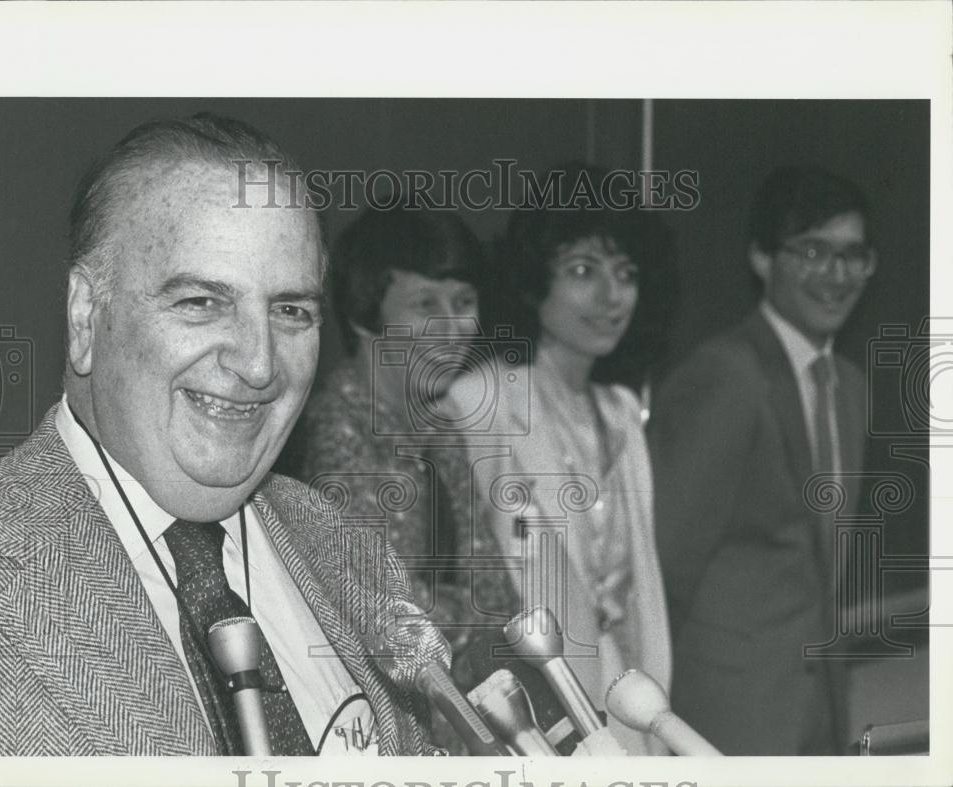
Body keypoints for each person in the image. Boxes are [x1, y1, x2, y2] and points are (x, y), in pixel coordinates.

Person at [0, 114, 434, 756]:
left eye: (291, 311)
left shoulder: (345, 548)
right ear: (85, 316)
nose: (258, 363)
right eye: (201, 302)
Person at [647, 165, 875, 755]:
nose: (837, 274)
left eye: (854, 255)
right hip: (726, 721)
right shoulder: (723, 377)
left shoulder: (849, 386)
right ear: (762, 258)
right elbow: (662, 572)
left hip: (820, 716)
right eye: (813, 251)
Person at [449, 165, 673, 754]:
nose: (611, 296)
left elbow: (640, 590)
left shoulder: (621, 410)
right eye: (582, 271)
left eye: (626, 274)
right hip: (535, 703)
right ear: (530, 282)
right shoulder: (483, 402)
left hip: (629, 697)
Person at [294, 208, 519, 736]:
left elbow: (498, 597)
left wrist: (463, 611)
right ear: (363, 314)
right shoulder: (336, 425)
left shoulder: (441, 425)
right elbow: (383, 610)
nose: (454, 325)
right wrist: (465, 613)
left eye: (464, 302)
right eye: (425, 304)